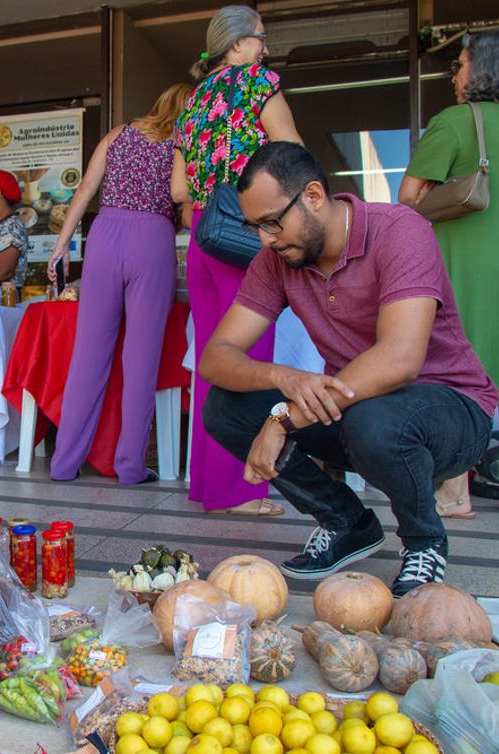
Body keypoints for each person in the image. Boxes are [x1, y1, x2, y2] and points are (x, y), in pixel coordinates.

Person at [199, 141, 498, 594]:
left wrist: (283, 418)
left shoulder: (399, 230)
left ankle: (424, 542)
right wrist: (283, 378)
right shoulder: (278, 259)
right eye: (255, 227)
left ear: (314, 196)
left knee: (375, 419)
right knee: (227, 407)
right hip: (355, 409)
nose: (265, 240)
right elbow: (216, 356)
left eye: (273, 222)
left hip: (451, 409)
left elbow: (399, 361)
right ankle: (346, 522)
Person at [400, 30, 499, 519]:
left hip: (463, 260)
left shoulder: (457, 121)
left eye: (460, 64)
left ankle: (455, 492)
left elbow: (409, 194)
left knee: (459, 377)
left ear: (483, 69)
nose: (455, 74)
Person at [171, 4, 302, 515]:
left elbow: (179, 187)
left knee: (213, 359)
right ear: (238, 43)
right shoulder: (256, 83)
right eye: (261, 39)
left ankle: (208, 483)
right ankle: (244, 490)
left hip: (206, 235)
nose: (266, 48)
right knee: (250, 361)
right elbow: (291, 151)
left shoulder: (193, 101)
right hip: (245, 232)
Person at [47, 82, 194, 484]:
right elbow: (182, 201)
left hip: (104, 235)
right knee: (141, 360)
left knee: (88, 357)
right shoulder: (184, 141)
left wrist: (61, 247)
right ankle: (130, 466)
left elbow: (85, 191)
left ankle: (64, 463)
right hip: (152, 240)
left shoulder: (120, 133)